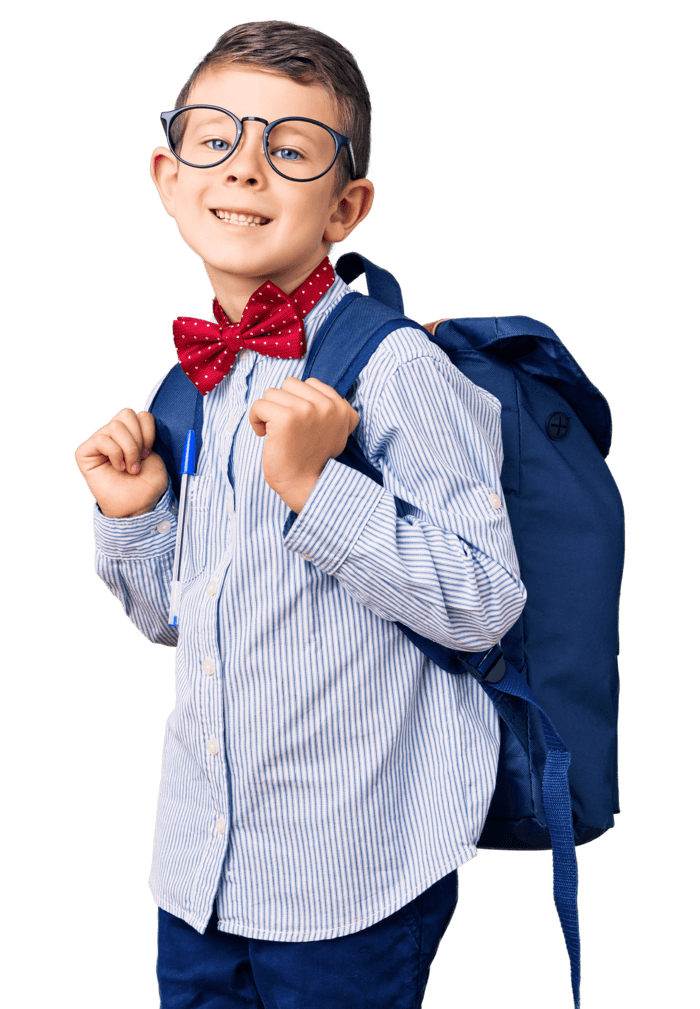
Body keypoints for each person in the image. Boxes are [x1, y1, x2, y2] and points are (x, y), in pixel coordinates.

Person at [74, 21, 527, 1009]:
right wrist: (131, 518)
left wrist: (319, 489)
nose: (244, 169)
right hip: (197, 872)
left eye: (288, 149)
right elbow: (178, 621)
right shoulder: (180, 386)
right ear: (166, 174)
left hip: (351, 876)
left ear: (345, 207)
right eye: (214, 139)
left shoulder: (397, 368)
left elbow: (486, 602)